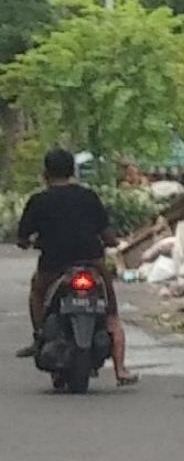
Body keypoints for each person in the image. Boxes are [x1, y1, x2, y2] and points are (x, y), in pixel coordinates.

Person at [15, 148, 138, 386]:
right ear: (73, 171)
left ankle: (39, 334)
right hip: (92, 263)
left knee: (37, 290)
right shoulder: (88, 197)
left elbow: (22, 238)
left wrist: (28, 242)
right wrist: (113, 241)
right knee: (111, 313)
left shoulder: (38, 200)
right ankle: (120, 369)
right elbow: (108, 235)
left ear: (45, 173)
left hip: (54, 266)